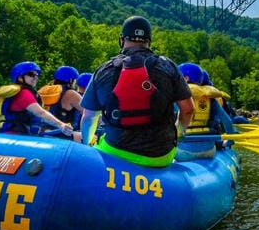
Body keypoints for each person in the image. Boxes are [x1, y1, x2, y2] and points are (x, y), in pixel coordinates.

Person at [80, 16, 195, 167]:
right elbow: (188, 110)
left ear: (121, 39)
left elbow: (88, 118)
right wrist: (179, 132)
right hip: (160, 155)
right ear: (148, 41)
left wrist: (87, 145)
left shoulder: (103, 70)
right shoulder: (168, 66)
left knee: (97, 145)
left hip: (115, 151)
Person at [0, 61, 74, 137]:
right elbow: (40, 113)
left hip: (11, 131)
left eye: (37, 75)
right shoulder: (24, 93)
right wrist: (61, 125)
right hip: (17, 133)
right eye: (31, 74)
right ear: (20, 77)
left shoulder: (17, 92)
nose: (35, 77)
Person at [43, 66, 84, 141]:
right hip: (60, 133)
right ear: (71, 80)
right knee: (86, 137)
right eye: (74, 80)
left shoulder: (46, 90)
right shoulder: (71, 93)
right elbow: (89, 113)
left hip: (43, 131)